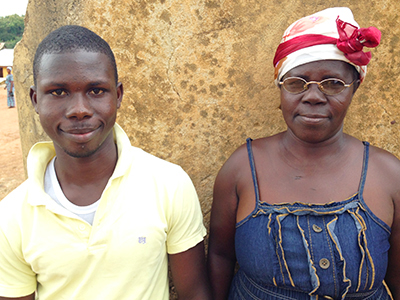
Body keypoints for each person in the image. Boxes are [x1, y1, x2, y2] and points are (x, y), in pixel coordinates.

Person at [0, 25, 211, 300]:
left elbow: (194, 292)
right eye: (59, 92)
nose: (79, 109)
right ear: (35, 100)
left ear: (118, 95)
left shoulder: (168, 184)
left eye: (97, 90)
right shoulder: (12, 216)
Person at [208, 7, 400, 300]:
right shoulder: (242, 169)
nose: (313, 96)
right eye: (296, 83)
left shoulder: (388, 174)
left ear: (354, 87)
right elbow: (220, 257)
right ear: (280, 88)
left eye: (333, 83)